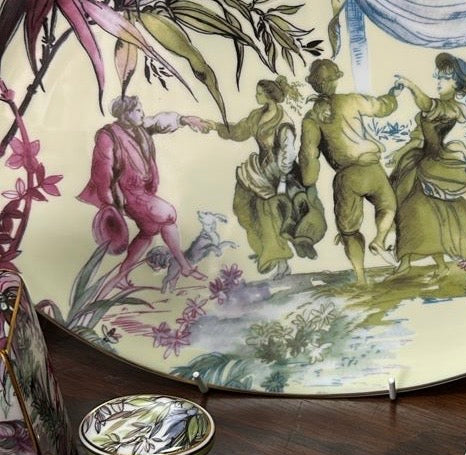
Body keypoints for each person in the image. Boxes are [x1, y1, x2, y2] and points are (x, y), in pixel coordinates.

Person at [197, 77, 326, 279]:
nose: (256, 96)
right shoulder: (258, 115)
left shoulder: (284, 123)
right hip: (262, 170)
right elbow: (239, 131)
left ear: (269, 96)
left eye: (259, 93)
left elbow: (288, 154)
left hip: (282, 174)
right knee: (245, 207)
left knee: (271, 214)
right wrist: (215, 126)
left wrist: (281, 180)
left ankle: (280, 260)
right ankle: (265, 250)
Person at [77, 96, 207, 293]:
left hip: (143, 190)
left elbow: (158, 121)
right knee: (168, 214)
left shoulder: (139, 128)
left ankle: (122, 276)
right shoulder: (108, 136)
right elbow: (102, 171)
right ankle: (184, 265)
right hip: (126, 194)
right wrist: (110, 204)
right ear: (125, 114)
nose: (142, 114)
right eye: (138, 110)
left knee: (149, 231)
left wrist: (184, 120)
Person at [390, 53, 466, 277]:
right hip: (418, 161)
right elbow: (419, 136)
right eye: (439, 76)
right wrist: (399, 153)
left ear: (457, 84)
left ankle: (435, 264)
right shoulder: (437, 106)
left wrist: (410, 85)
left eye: (445, 78)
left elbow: (427, 104)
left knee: (429, 214)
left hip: (438, 162)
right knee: (407, 210)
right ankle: (406, 261)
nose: (439, 81)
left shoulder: (453, 108)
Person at [299, 59, 400, 285]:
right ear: (336, 80)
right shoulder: (352, 100)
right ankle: (380, 239)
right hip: (371, 169)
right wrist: (393, 94)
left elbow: (308, 155)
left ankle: (361, 277)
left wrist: (308, 180)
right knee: (388, 207)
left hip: (346, 178)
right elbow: (382, 107)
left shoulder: (311, 119)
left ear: (314, 84)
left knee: (349, 231)